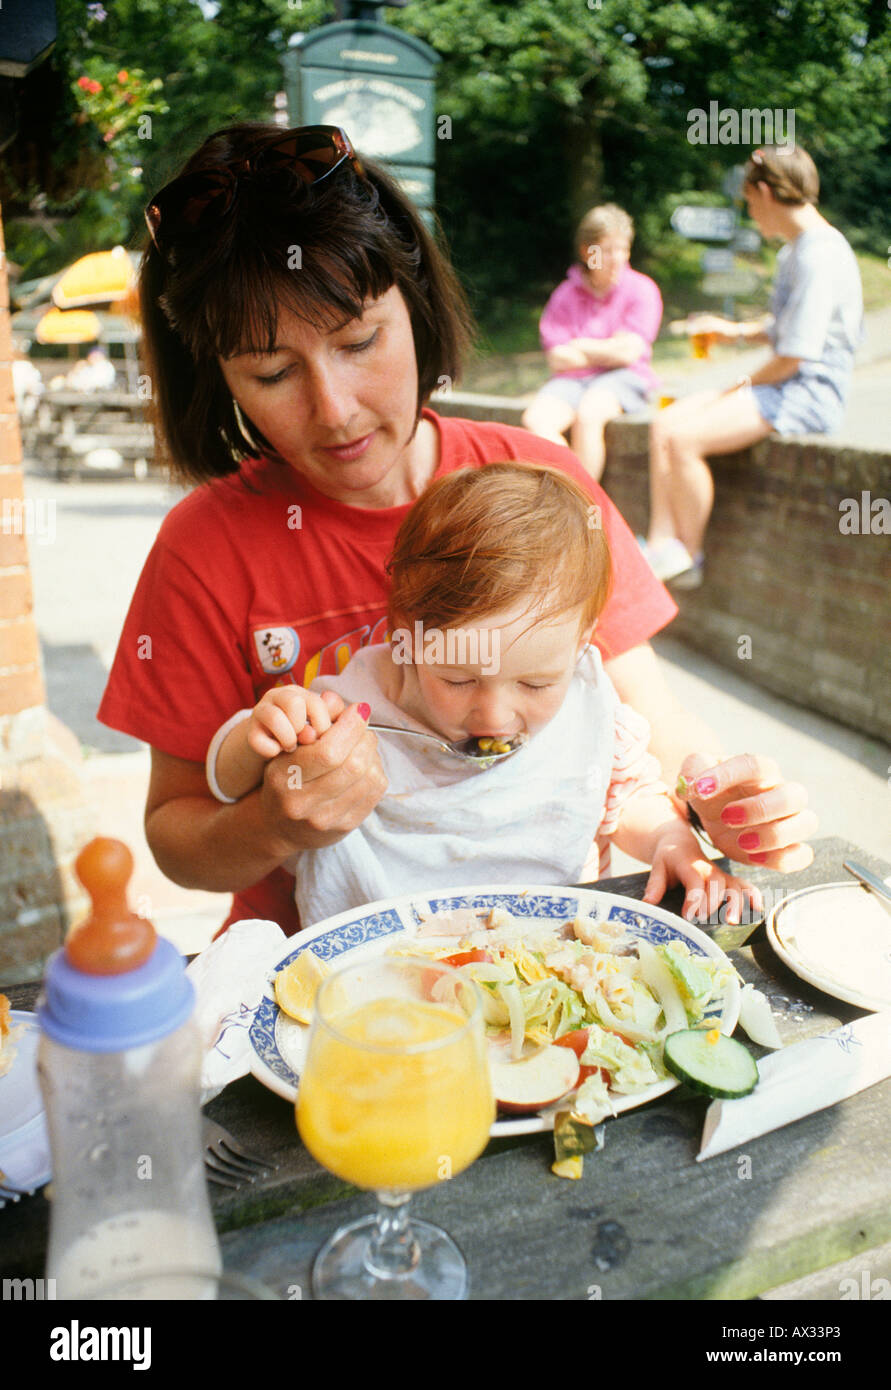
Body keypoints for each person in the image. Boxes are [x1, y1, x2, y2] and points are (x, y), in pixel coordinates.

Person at [97, 123, 816, 940]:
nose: (334, 409)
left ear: (414, 302)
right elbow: (177, 842)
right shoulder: (205, 547)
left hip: (549, 945)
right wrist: (278, 825)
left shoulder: (539, 485)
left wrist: (726, 803)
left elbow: (644, 717)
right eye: (271, 372)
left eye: (360, 341)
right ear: (217, 376)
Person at [206, 463, 760, 928]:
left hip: (543, 958)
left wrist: (669, 839)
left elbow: (618, 799)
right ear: (405, 637)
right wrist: (260, 736)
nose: (495, 714)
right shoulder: (349, 706)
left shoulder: (588, 704)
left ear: (582, 645)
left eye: (536, 683)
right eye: (459, 680)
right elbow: (229, 785)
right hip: (378, 966)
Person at [642, 144, 864, 586]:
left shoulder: (820, 256)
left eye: (748, 201)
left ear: (764, 192)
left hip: (808, 393)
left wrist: (735, 388)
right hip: (785, 385)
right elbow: (787, 326)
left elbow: (792, 357)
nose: (750, 212)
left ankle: (690, 557)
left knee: (685, 439)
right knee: (663, 424)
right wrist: (734, 330)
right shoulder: (794, 251)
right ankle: (660, 546)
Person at [521, 204, 662, 480]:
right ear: (587, 251)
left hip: (625, 377)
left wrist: (580, 345)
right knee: (535, 420)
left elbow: (628, 353)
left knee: (589, 414)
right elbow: (558, 358)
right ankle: (571, 489)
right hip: (572, 379)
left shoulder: (642, 289)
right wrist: (608, 348)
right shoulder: (565, 294)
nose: (617, 258)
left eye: (622, 249)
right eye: (607, 250)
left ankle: (586, 505)